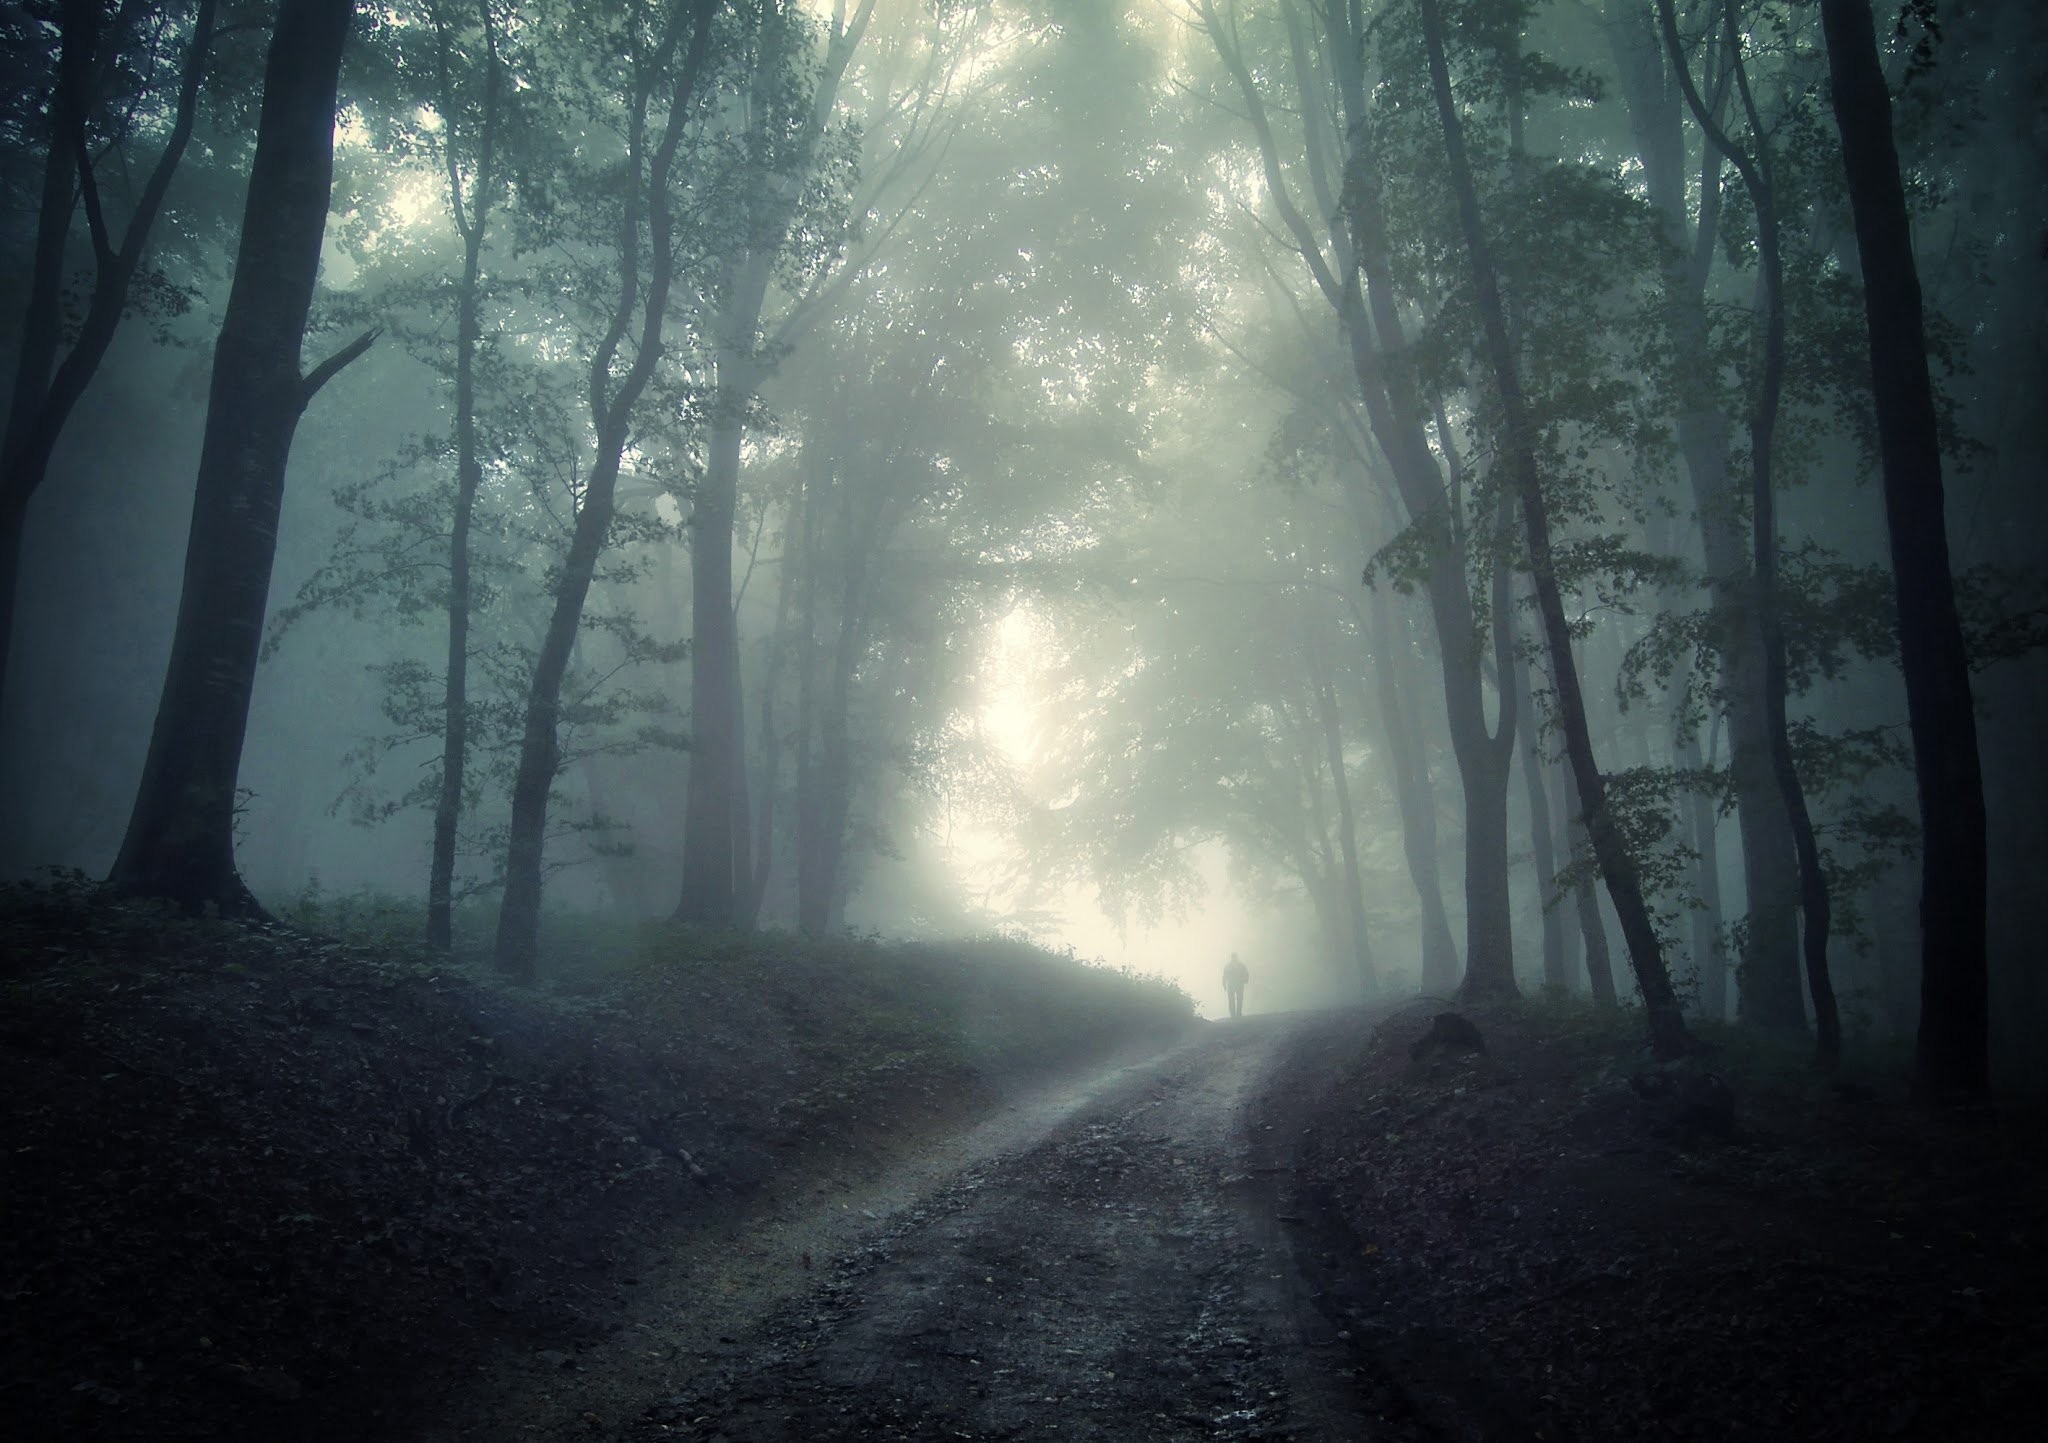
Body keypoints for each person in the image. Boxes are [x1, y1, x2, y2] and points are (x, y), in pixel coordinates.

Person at [1222, 953, 1249, 1019]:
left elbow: (1246, 973)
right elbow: (1224, 976)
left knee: (1236, 1000)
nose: (1234, 958)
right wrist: (1224, 984)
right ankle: (1234, 1014)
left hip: (1236, 985)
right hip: (1235, 985)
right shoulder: (1240, 965)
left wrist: (1245, 980)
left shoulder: (1230, 966)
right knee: (1235, 1000)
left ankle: (1236, 1014)